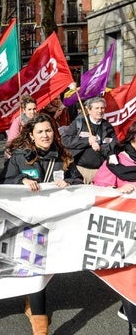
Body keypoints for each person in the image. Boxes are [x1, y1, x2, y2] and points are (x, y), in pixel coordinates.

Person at [1, 113, 82, 335]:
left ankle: (31, 299)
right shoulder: (18, 156)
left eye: (48, 131)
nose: (46, 135)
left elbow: (79, 181)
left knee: (47, 269)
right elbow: (2, 183)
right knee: (38, 266)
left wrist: (69, 182)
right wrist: (21, 180)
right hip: (27, 223)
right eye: (40, 132)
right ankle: (40, 322)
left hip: (56, 223)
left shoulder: (64, 156)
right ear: (31, 135)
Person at [92, 120, 136, 335]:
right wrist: (118, 190)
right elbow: (98, 188)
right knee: (131, 278)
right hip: (125, 231)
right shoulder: (116, 160)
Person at [61, 96, 118, 184]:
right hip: (80, 170)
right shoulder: (79, 123)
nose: (100, 111)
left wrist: (101, 148)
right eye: (97, 108)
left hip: (100, 171)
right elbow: (65, 140)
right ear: (89, 110)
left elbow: (114, 145)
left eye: (102, 108)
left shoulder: (108, 127)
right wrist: (87, 141)